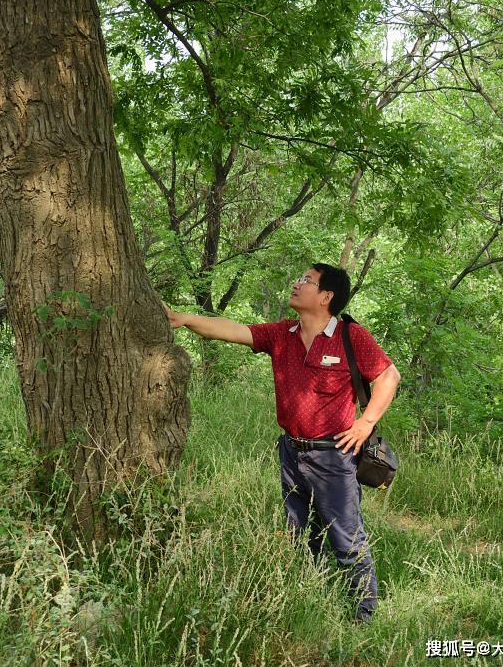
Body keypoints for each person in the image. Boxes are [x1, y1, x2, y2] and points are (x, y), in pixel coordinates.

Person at [164, 262, 400, 622]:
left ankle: (363, 615)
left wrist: (365, 423)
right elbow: (232, 330)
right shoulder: (282, 334)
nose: (297, 283)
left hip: (333, 457)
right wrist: (183, 318)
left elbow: (388, 375)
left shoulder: (350, 337)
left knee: (346, 538)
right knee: (302, 534)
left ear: (326, 297)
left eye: (307, 281)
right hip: (292, 452)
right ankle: (311, 600)